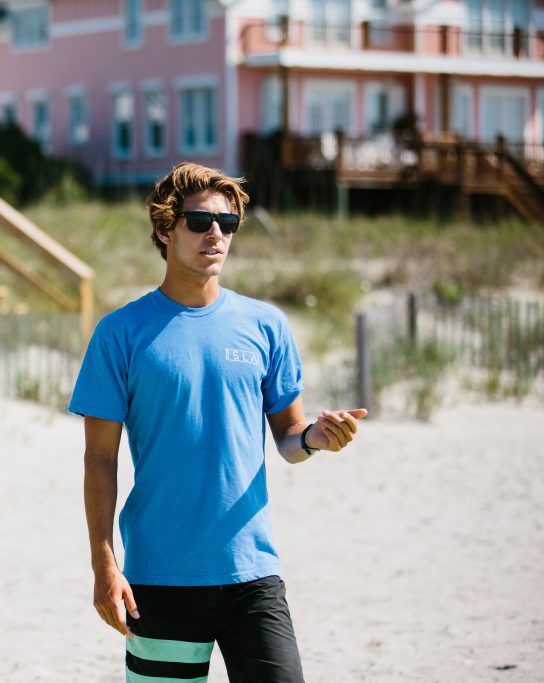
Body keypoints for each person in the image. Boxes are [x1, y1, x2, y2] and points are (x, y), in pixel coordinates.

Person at [69, 163, 367, 682]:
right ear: (165, 229)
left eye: (227, 224)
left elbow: (290, 440)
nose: (216, 234)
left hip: (251, 572)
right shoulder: (120, 333)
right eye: (201, 221)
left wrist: (317, 438)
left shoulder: (265, 324)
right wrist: (104, 565)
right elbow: (100, 459)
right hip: (159, 577)